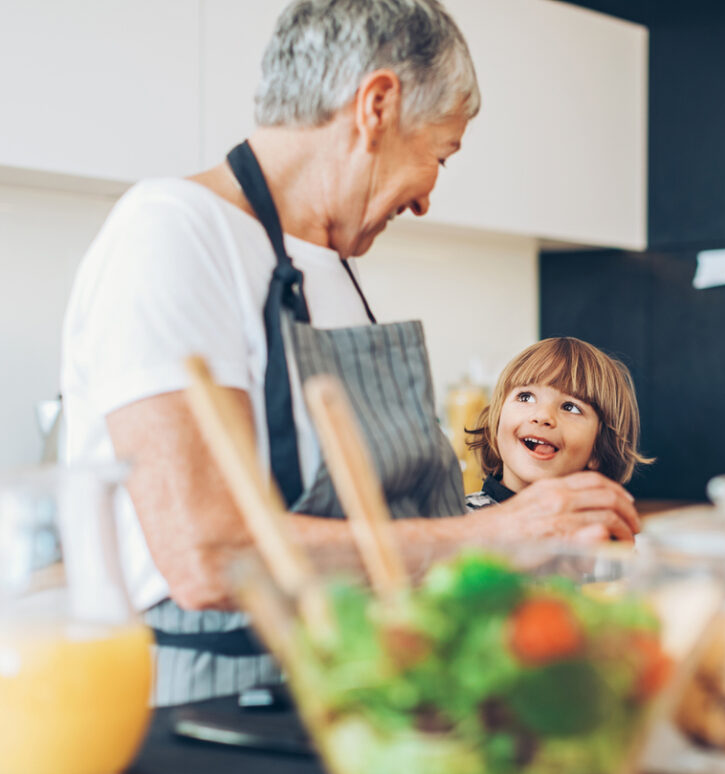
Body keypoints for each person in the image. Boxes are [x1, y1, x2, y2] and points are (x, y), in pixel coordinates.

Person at [61, 0, 640, 706]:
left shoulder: (327, 267)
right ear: (377, 106)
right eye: (439, 154)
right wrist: (499, 533)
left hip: (351, 691)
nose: (428, 197)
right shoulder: (173, 232)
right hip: (211, 709)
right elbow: (207, 556)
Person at [464, 337, 652, 509]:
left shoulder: (602, 533)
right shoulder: (456, 522)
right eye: (526, 397)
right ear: (496, 423)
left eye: (570, 407)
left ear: (598, 448)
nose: (543, 416)